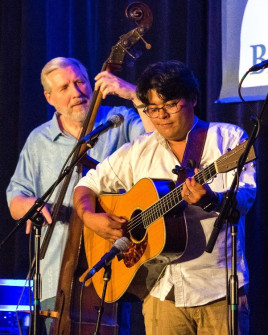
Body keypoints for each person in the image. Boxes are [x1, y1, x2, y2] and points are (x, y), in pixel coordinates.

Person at [73, 60, 256, 335]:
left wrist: (212, 200)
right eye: (152, 109)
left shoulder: (228, 140)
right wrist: (89, 217)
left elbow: (245, 197)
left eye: (170, 105)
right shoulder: (139, 149)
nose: (161, 116)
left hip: (218, 288)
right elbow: (86, 185)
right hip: (161, 291)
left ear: (192, 99)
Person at [6, 57, 153, 332]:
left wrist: (134, 94)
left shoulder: (119, 121)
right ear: (50, 98)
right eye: (64, 88)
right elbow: (16, 196)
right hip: (55, 277)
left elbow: (158, 136)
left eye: (80, 82)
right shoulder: (38, 140)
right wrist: (29, 205)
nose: (77, 92)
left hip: (116, 268)